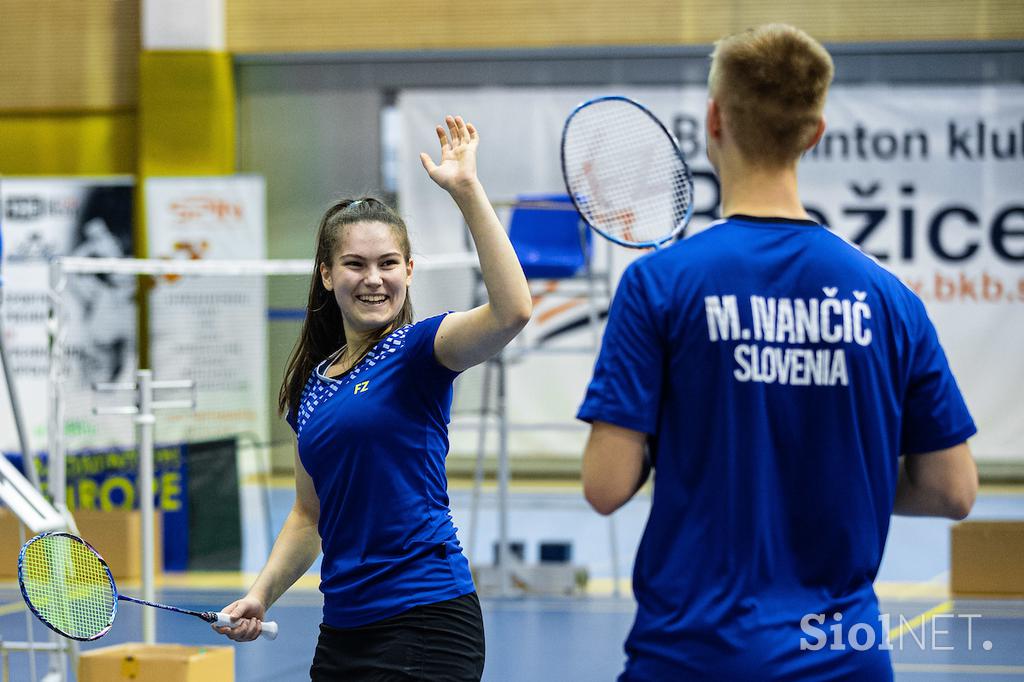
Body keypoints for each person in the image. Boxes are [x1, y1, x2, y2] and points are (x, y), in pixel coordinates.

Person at [577, 24, 978, 681]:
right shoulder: (890, 299)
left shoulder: (660, 284)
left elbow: (605, 486)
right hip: (843, 659)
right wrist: (855, 478)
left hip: (696, 657)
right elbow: (953, 490)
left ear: (713, 119)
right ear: (815, 132)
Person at [214, 115, 532, 681]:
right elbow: (308, 515)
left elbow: (512, 312)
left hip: (427, 619)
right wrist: (261, 594)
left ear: (408, 271)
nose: (373, 279)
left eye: (388, 264)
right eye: (355, 264)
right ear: (327, 273)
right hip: (343, 630)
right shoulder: (309, 385)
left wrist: (467, 191)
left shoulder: (419, 351)